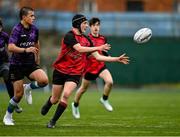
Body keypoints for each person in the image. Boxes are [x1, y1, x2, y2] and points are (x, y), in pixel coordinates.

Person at [41, 14, 129, 128]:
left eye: (87, 23)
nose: (87, 26)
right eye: (85, 23)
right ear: (78, 24)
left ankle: (52, 121)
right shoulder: (69, 36)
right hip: (60, 71)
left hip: (75, 73)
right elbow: (79, 48)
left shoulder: (87, 40)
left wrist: (116, 59)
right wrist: (98, 47)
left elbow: (98, 57)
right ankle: (49, 102)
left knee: (66, 94)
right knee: (55, 99)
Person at [3, 6, 49, 126]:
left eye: (34, 15)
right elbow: (10, 47)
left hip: (30, 63)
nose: (34, 18)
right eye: (31, 16)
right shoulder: (17, 29)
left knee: (44, 80)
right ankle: (8, 116)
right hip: (16, 65)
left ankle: (28, 87)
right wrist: (25, 50)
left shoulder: (35, 29)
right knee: (18, 95)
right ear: (24, 17)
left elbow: (36, 43)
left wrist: (37, 56)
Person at [71, 17, 116, 119]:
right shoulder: (86, 39)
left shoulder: (103, 38)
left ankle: (104, 99)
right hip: (89, 69)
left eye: (98, 25)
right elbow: (83, 53)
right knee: (82, 89)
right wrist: (91, 55)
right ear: (90, 27)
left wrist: (109, 57)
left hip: (100, 66)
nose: (96, 27)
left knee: (110, 82)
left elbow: (104, 52)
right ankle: (75, 105)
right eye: (94, 25)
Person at [0, 19, 22, 113]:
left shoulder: (4, 35)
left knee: (8, 78)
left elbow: (11, 46)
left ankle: (14, 102)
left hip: (3, 63)